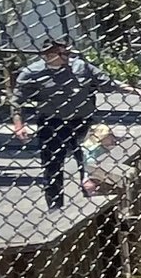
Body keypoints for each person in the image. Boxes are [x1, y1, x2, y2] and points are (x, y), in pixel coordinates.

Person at [11, 40, 103, 211]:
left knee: (89, 161)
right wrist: (19, 125)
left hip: (82, 121)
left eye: (68, 53)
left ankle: (92, 202)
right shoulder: (31, 73)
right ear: (49, 56)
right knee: (52, 166)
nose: (68, 57)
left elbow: (106, 81)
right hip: (52, 123)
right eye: (63, 54)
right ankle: (55, 207)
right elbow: (17, 102)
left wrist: (136, 91)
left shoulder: (80, 67)